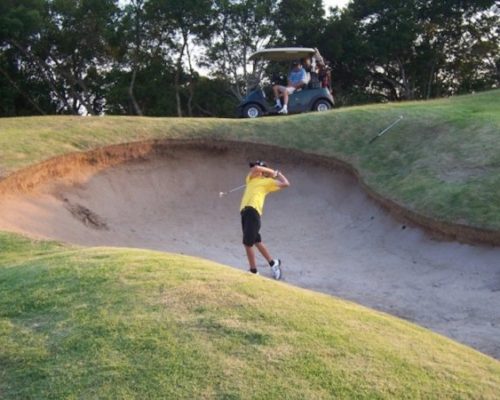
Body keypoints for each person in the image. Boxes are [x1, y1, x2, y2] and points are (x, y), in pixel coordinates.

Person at [240, 160, 290, 279]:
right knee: (256, 241)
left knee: (247, 244)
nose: (252, 169)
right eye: (252, 167)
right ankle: (273, 263)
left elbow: (286, 183)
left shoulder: (267, 182)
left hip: (253, 211)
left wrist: (277, 174)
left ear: (262, 172)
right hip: (245, 213)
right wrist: (271, 171)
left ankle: (253, 271)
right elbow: (257, 169)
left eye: (255, 168)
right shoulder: (250, 179)